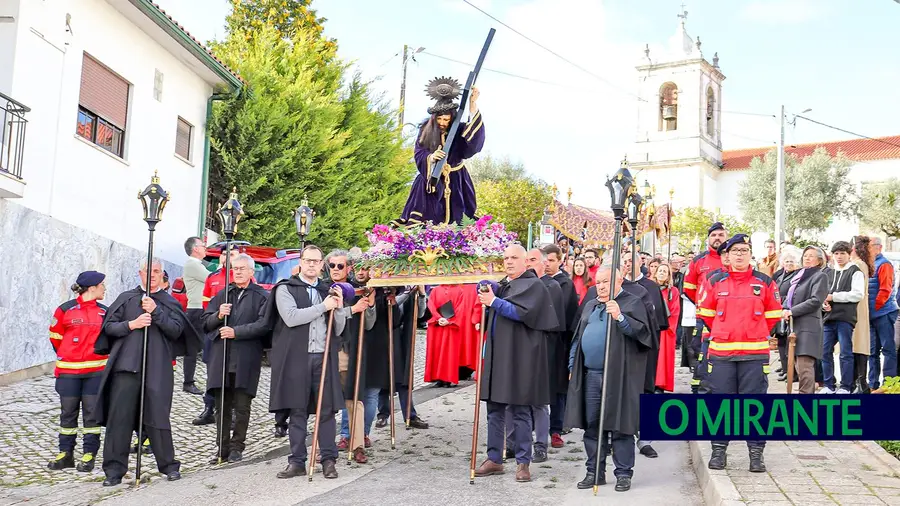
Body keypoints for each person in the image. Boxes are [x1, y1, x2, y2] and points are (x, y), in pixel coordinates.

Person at [92, 258, 201, 486]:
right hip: (126, 366)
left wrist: (156, 311)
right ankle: (114, 471)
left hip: (157, 367)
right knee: (119, 419)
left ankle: (169, 466)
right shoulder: (127, 298)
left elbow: (176, 331)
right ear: (139, 273)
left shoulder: (169, 302)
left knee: (157, 418)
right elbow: (108, 328)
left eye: (156, 271)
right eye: (147, 271)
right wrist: (131, 324)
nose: (151, 275)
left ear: (162, 275)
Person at [697, 235, 782, 473]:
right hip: (722, 354)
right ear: (728, 255)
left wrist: (754, 332)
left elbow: (774, 314)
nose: (740, 254)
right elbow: (704, 312)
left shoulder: (764, 281)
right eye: (735, 251)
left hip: (754, 355)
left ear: (750, 254)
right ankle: (718, 451)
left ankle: (756, 455)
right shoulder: (715, 280)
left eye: (744, 250)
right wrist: (724, 331)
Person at [474, 245, 559, 483]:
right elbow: (494, 297)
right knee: (495, 409)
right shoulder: (506, 285)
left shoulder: (534, 285)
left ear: (526, 262)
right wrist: (485, 289)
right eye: (506, 258)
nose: (509, 262)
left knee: (520, 409)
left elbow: (522, 313)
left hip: (521, 357)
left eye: (514, 258)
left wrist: (494, 301)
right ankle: (494, 459)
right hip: (499, 354)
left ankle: (523, 462)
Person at [264, 245, 349, 479]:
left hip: (323, 357)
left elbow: (338, 328)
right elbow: (291, 318)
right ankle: (297, 461)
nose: (312, 265)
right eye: (308, 260)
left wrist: (339, 308)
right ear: (301, 262)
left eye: (316, 261)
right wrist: (324, 307)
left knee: (326, 411)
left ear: (322, 265)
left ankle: (329, 460)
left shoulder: (328, 290)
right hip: (296, 358)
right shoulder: (285, 288)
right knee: (297, 410)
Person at [565, 263, 651, 492]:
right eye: (598, 282)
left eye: (606, 282)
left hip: (619, 375)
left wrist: (621, 317)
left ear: (619, 281)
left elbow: (643, 335)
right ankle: (594, 471)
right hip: (591, 374)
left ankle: (623, 473)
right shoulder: (591, 305)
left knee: (620, 424)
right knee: (593, 425)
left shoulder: (632, 302)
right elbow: (577, 338)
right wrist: (573, 364)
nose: (601, 287)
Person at [202, 253, 272, 463]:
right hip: (222, 356)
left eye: (242, 268)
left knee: (242, 406)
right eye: (235, 268)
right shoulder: (224, 294)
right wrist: (218, 316)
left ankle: (237, 446)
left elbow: (264, 325)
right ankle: (221, 448)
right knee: (221, 405)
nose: (238, 272)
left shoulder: (261, 296)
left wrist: (237, 332)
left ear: (251, 272)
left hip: (245, 357)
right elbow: (205, 323)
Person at [393, 79, 484, 227]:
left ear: (452, 118)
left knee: (460, 221)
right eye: (439, 119)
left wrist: (472, 105)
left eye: (446, 119)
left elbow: (473, 143)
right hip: (429, 181)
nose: (442, 122)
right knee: (426, 221)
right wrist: (431, 158)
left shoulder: (459, 130)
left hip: (456, 179)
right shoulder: (425, 131)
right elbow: (419, 153)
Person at [47, 271, 108, 472]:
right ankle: (66, 453)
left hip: (96, 373)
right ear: (92, 288)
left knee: (92, 416)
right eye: (101, 285)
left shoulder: (105, 312)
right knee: (68, 414)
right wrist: (69, 354)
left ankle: (89, 454)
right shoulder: (65, 310)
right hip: (68, 373)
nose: (104, 288)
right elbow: (55, 337)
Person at [328, 251, 375, 464]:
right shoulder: (323, 290)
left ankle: (357, 444)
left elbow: (369, 324)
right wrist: (352, 310)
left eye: (340, 266)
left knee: (354, 399)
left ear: (349, 268)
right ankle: (324, 446)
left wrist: (370, 305)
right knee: (325, 400)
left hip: (350, 349)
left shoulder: (358, 292)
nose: (336, 270)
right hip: (328, 350)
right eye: (332, 265)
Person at [194, 248, 243, 426]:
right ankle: (209, 408)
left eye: (232, 254)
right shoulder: (212, 277)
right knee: (211, 372)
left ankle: (230, 412)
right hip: (214, 330)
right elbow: (206, 304)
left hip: (233, 333)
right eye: (224, 254)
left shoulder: (242, 277)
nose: (227, 257)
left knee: (231, 374)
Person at [375, 285, 430, 430]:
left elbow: (420, 314)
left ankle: (410, 415)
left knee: (404, 377)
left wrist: (422, 295)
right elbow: (389, 307)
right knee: (383, 376)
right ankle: (383, 414)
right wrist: (407, 293)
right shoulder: (381, 290)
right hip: (383, 336)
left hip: (402, 337)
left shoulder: (410, 292)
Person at [684, 222, 728, 394]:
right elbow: (689, 288)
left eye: (721, 235)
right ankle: (700, 388)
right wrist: (704, 304)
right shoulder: (698, 261)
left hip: (728, 318)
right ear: (708, 238)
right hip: (704, 317)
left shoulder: (733, 258)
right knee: (701, 352)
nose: (717, 238)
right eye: (714, 235)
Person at [542, 244, 579, 448]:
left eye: (551, 261)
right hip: (539, 341)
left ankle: (556, 428)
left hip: (559, 342)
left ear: (560, 261)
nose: (547, 264)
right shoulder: (537, 281)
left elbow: (561, 311)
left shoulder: (564, 283)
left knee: (557, 387)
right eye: (544, 260)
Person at [781, 246, 828, 394]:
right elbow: (790, 297)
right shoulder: (799, 275)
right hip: (795, 326)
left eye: (811, 256)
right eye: (805, 255)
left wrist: (792, 311)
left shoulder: (820, 276)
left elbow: (815, 300)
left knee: (804, 366)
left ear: (819, 260)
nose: (807, 258)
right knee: (796, 366)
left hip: (809, 326)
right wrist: (784, 308)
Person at [820, 241, 865, 394]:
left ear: (849, 254)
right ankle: (828, 385)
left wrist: (834, 297)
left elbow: (858, 294)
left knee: (845, 352)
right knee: (824, 351)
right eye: (836, 254)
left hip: (845, 318)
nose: (839, 257)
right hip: (829, 318)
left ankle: (846, 386)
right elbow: (823, 295)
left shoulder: (855, 271)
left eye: (842, 253)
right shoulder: (828, 272)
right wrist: (824, 304)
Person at [425, 284, 470, 387]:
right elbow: (431, 305)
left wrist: (449, 321)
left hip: (450, 326)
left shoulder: (459, 290)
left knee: (449, 352)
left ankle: (447, 378)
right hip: (438, 325)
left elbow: (461, 308)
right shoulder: (436, 290)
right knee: (437, 351)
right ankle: (439, 378)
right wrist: (438, 318)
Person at [868, 237, 898, 390]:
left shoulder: (884, 264)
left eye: (870, 246)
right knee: (872, 351)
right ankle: (873, 384)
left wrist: (875, 308)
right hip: (873, 314)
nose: (867, 249)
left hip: (883, 312)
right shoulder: (870, 265)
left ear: (878, 248)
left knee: (888, 349)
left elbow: (885, 290)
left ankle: (890, 384)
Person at [182, 236, 209, 396]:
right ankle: (188, 382)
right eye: (203, 245)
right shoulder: (193, 264)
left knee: (198, 346)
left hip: (199, 309)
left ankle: (189, 381)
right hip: (196, 309)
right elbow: (210, 278)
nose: (205, 247)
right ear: (195, 249)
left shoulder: (196, 265)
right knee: (193, 346)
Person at [774, 247, 802, 383]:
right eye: (787, 261)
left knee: (788, 345)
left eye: (792, 261)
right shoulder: (780, 275)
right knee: (780, 342)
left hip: (789, 311)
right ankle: (786, 370)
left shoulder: (797, 275)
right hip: (779, 311)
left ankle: (793, 373)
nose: (789, 263)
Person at [851, 237, 873, 391]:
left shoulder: (857, 264)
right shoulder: (863, 264)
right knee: (859, 343)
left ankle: (860, 382)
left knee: (857, 343)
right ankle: (860, 382)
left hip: (855, 308)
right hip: (860, 307)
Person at [654, 263, 680, 392]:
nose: (662, 273)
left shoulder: (673, 291)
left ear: (669, 275)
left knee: (662, 359)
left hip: (664, 329)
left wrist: (667, 325)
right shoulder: (650, 288)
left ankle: (660, 385)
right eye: (660, 270)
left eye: (665, 271)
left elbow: (675, 311)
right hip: (651, 328)